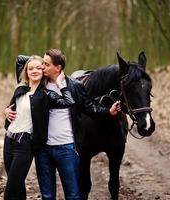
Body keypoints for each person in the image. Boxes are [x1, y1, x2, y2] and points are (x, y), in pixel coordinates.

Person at [34, 49, 121, 200]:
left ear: (58, 68)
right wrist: (9, 110)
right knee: (47, 196)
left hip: (67, 148)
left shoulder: (75, 86)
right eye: (42, 63)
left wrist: (108, 112)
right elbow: (21, 67)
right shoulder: (38, 84)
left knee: (74, 195)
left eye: (46, 64)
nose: (42, 67)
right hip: (43, 149)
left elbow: (89, 108)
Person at [3, 55, 75, 200]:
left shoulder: (46, 94)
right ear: (26, 71)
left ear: (43, 71)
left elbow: (69, 101)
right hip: (9, 141)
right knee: (18, 189)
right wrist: (6, 110)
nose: (34, 71)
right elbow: (19, 59)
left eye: (38, 68)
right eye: (31, 68)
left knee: (10, 192)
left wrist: (61, 84)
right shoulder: (21, 86)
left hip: (24, 145)